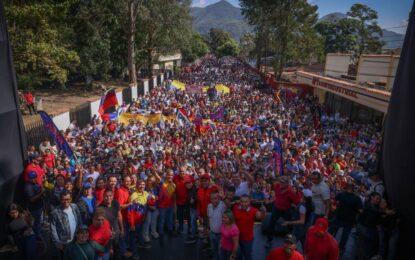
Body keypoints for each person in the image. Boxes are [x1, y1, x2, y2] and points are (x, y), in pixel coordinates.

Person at [265, 176, 300, 248]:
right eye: (280, 182)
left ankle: (293, 243)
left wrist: (294, 208)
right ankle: (269, 240)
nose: (280, 183)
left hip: (286, 210)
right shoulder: (277, 186)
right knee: (271, 224)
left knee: (290, 227)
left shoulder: (291, 192)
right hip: (276, 209)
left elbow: (297, 203)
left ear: (287, 184)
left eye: (282, 182)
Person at [329, 181, 362, 252]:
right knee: (345, 235)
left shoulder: (341, 194)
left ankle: (326, 242)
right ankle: (340, 248)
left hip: (339, 217)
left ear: (346, 188)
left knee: (331, 231)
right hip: (349, 220)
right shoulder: (357, 198)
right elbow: (360, 210)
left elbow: (334, 199)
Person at [50, 190, 83, 259]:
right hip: (64, 243)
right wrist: (57, 243)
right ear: (60, 199)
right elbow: (53, 229)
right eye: (63, 199)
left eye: (68, 199)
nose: (65, 201)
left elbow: (79, 220)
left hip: (75, 239)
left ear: (71, 199)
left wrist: (81, 234)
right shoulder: (55, 212)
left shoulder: (74, 207)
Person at [232, 194, 266, 260]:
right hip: (236, 238)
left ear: (249, 202)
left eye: (246, 202)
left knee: (247, 256)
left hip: (247, 239)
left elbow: (261, 217)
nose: (243, 203)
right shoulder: (235, 208)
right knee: (238, 256)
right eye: (242, 201)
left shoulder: (253, 210)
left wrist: (263, 211)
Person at [97, 189, 124, 257]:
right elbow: (101, 223)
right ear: (103, 196)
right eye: (106, 196)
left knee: (116, 247)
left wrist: (122, 229)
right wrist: (108, 232)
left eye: (110, 196)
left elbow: (119, 216)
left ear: (113, 196)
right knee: (108, 251)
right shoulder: (100, 207)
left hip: (116, 229)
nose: (108, 198)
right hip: (106, 232)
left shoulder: (115, 202)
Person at [356, 192, 382, 260]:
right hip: (366, 230)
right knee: (364, 248)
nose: (378, 200)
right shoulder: (370, 206)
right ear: (372, 197)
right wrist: (384, 212)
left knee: (363, 248)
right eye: (377, 198)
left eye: (379, 199)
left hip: (365, 229)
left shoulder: (368, 205)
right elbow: (375, 212)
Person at [24, 171, 45, 241]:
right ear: (29, 178)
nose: (34, 179)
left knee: (39, 223)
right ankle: (37, 238)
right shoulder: (28, 187)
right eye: (32, 178)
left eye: (35, 177)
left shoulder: (35, 183)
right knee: (35, 224)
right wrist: (42, 192)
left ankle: (39, 233)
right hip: (34, 209)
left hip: (40, 207)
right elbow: (32, 200)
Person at [156, 169, 176, 243]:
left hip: (170, 206)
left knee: (169, 220)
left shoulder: (174, 185)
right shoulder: (162, 183)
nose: (170, 176)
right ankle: (161, 234)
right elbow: (157, 177)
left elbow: (173, 196)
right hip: (162, 206)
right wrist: (155, 171)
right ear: (166, 175)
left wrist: (174, 205)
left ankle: (170, 231)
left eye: (171, 175)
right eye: (168, 175)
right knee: (162, 221)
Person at [207, 192, 226, 260]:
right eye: (212, 199)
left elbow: (228, 206)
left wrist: (224, 198)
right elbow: (209, 217)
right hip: (212, 233)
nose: (214, 200)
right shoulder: (209, 206)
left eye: (216, 198)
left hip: (221, 235)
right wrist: (209, 229)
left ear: (219, 198)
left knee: (221, 252)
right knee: (214, 250)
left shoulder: (223, 205)